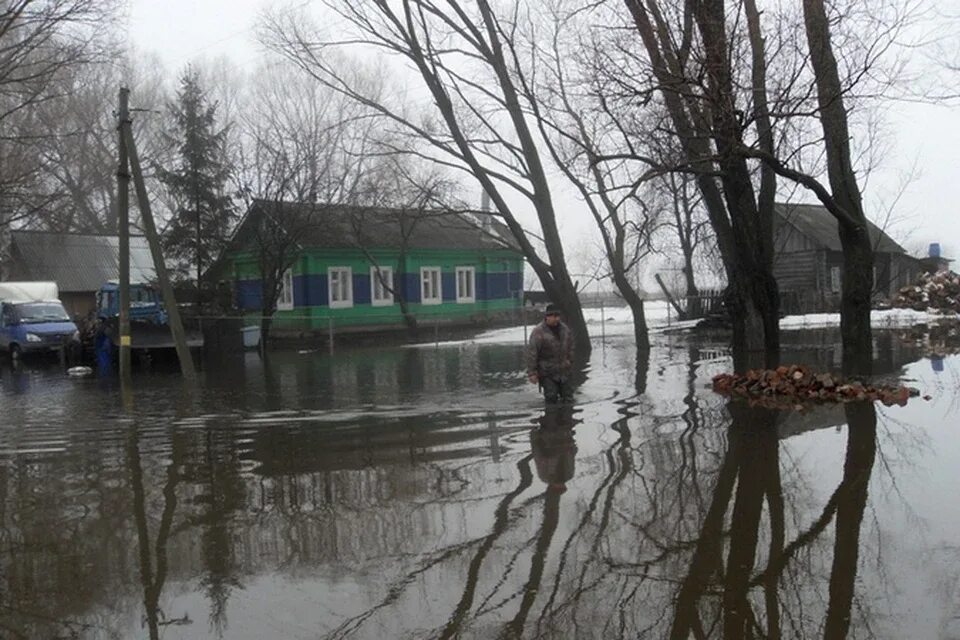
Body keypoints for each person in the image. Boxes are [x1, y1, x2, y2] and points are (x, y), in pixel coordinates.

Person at [526, 303, 574, 404]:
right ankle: (550, 418)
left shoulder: (565, 329)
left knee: (568, 398)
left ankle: (567, 418)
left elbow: (570, 346)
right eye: (554, 316)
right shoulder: (538, 332)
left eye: (558, 316)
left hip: (564, 371)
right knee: (551, 397)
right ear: (547, 316)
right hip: (547, 372)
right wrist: (532, 373)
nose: (557, 319)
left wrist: (569, 361)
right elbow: (532, 353)